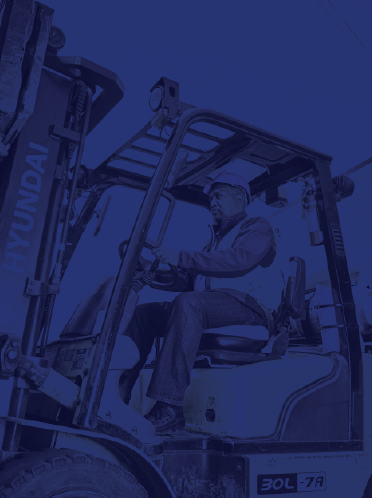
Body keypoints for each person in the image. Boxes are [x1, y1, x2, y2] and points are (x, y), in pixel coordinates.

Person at [117, 172, 281, 433]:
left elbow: (239, 261)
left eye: (219, 196)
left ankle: (169, 407)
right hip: (212, 306)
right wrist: (151, 269)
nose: (213, 202)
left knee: (188, 304)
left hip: (250, 309)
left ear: (239, 197)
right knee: (145, 313)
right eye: (211, 198)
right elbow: (188, 281)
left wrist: (180, 257)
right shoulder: (211, 243)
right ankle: (116, 395)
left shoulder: (256, 227)